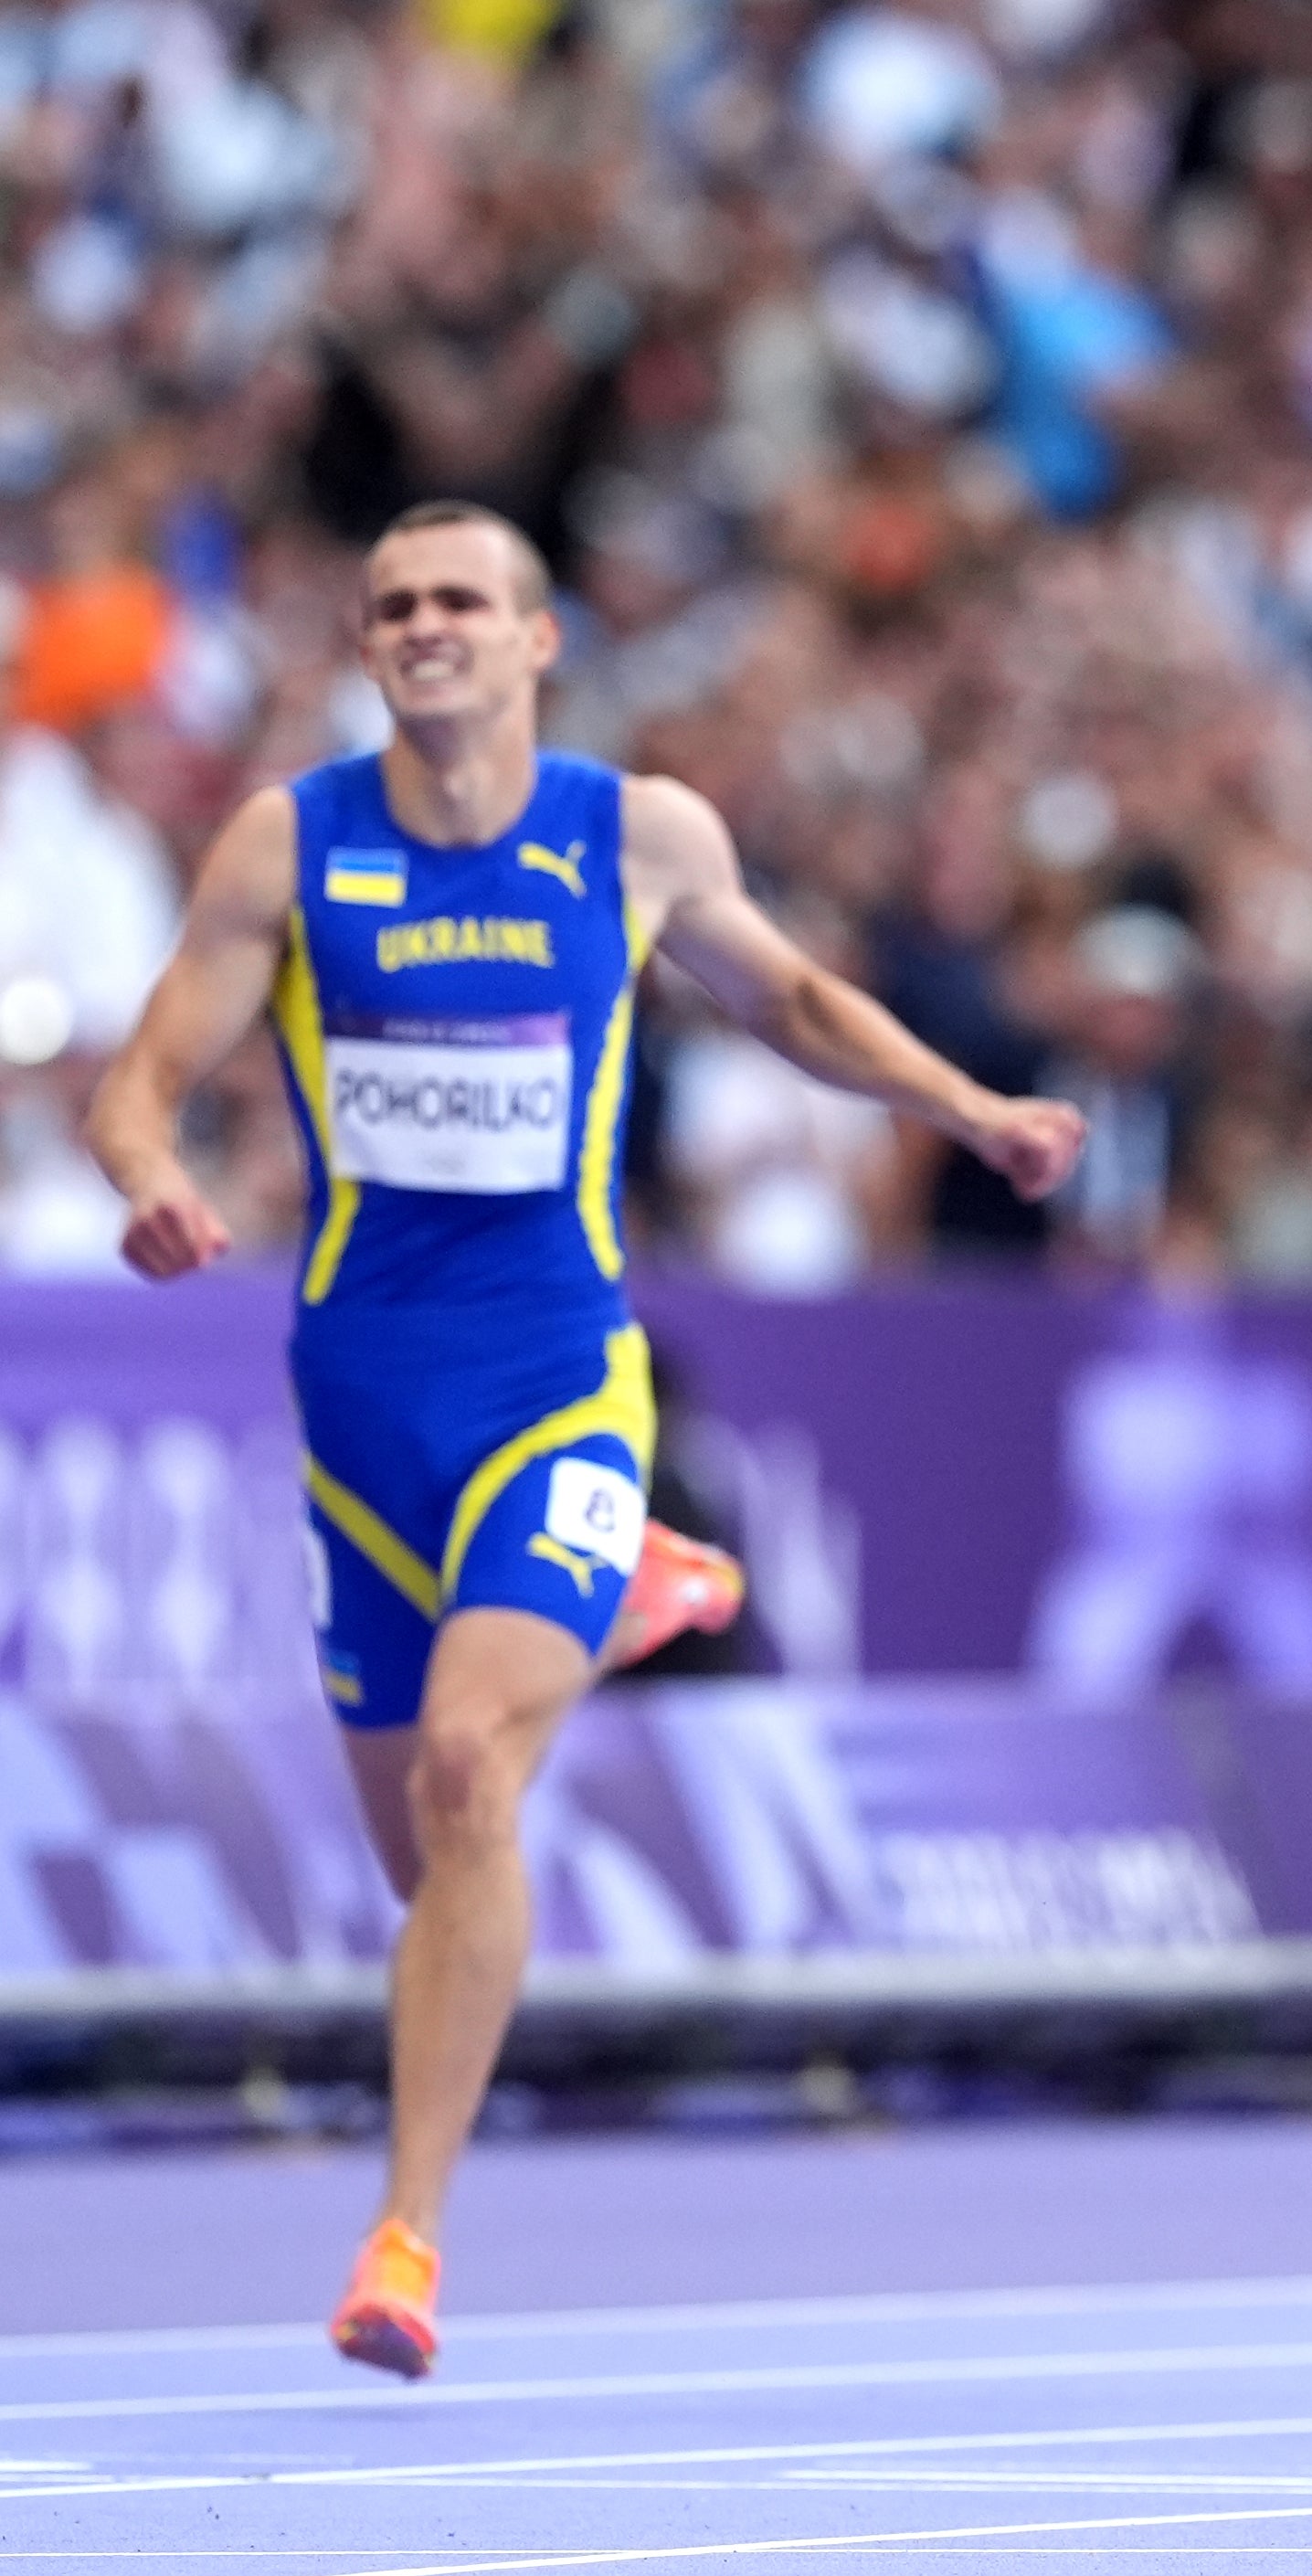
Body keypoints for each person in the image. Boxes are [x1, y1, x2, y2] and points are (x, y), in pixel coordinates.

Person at [82, 501, 1085, 2380]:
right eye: (392, 604)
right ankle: (626, 1588)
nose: (424, 626)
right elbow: (148, 1072)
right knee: (427, 1865)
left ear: (541, 640)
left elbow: (788, 999)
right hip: (358, 1408)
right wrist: (144, 1173)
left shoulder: (633, 838)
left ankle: (408, 2240)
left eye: (463, 599)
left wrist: (971, 1112)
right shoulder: (290, 844)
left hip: (554, 1377)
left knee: (473, 1770)